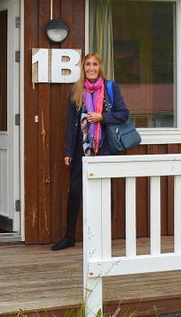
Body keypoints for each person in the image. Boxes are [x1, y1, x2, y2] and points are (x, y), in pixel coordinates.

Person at [51, 52, 128, 251]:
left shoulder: (110, 88)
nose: (91, 68)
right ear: (83, 68)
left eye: (95, 64)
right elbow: (70, 124)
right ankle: (69, 236)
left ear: (100, 67)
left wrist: (102, 117)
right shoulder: (76, 90)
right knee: (75, 191)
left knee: (105, 192)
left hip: (103, 148)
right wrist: (68, 151)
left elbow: (123, 114)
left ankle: (103, 237)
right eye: (87, 64)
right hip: (80, 149)